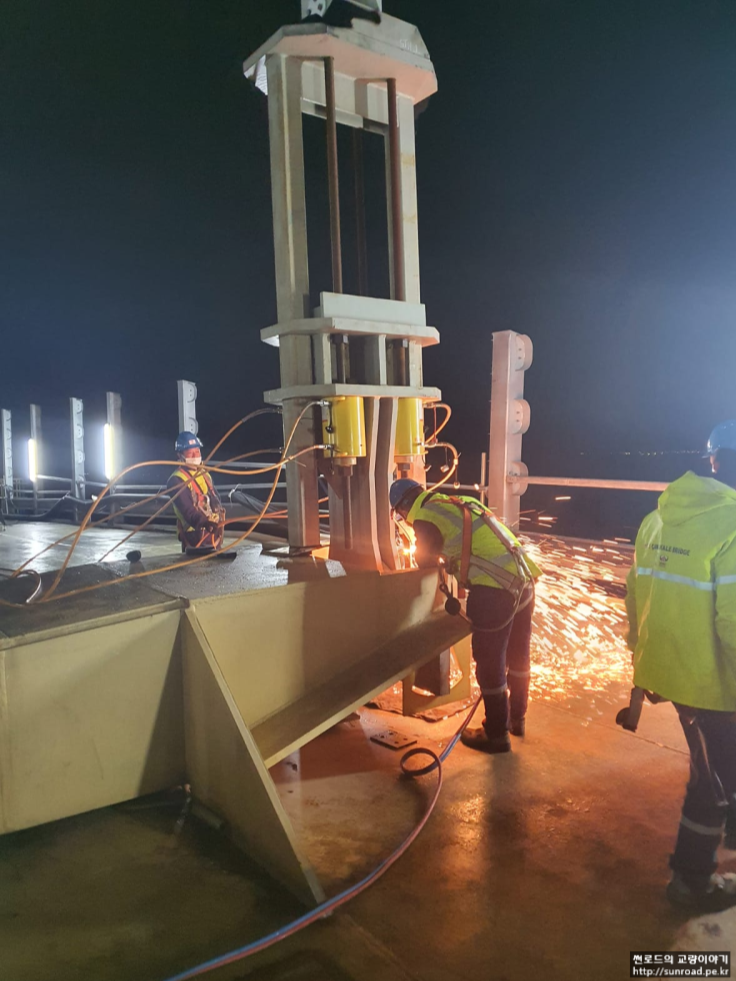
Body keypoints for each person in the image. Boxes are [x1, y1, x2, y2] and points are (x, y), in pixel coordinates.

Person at [625, 420, 736, 911]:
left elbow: (635, 596)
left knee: (709, 776)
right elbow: (733, 621)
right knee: (714, 786)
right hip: (715, 685)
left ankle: (696, 874)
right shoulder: (732, 525)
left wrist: (642, 661)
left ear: (713, 460)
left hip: (670, 672)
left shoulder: (657, 518)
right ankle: (691, 884)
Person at [390, 479, 542, 754]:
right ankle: (516, 719)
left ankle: (496, 734)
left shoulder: (424, 517)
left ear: (402, 509)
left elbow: (424, 562)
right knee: (518, 655)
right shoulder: (456, 502)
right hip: (524, 579)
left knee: (489, 661)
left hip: (496, 589)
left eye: (399, 515)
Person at [167, 431, 226, 553]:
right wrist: (205, 522)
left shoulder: (204, 474)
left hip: (214, 533)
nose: (195, 456)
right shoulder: (176, 480)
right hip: (194, 537)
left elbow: (215, 497)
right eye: (190, 453)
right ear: (180, 455)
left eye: (197, 452)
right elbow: (188, 511)